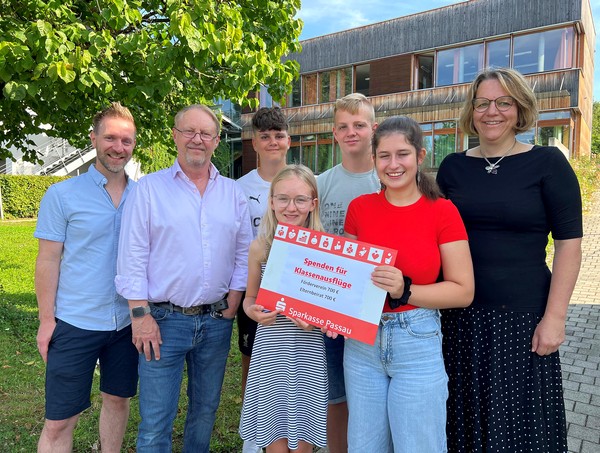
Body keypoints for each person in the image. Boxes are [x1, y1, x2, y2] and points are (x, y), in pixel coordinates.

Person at [436, 67, 583, 452]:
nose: (492, 112)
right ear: (471, 109)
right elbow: (429, 234)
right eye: (482, 103)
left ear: (519, 109)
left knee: (521, 427)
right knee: (465, 420)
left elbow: (570, 244)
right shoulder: (453, 167)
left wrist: (555, 318)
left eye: (504, 102)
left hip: (524, 318)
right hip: (461, 317)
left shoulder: (548, 163)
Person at [115, 104, 252, 452]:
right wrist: (140, 316)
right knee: (156, 420)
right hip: (162, 322)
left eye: (206, 133)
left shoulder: (233, 193)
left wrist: (234, 301)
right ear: (175, 136)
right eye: (189, 131)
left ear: (217, 140)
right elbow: (132, 255)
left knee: (205, 411)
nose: (197, 139)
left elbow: (242, 253)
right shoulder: (148, 190)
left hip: (216, 320)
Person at [341, 116, 474, 452]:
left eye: (402, 154)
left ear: (420, 156)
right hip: (362, 345)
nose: (393, 164)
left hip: (416, 340)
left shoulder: (442, 212)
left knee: (418, 445)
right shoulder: (359, 209)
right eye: (384, 156)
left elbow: (463, 291)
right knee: (364, 446)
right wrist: (332, 311)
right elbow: (346, 282)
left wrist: (406, 290)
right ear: (373, 160)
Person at [34, 102, 138, 453]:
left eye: (126, 140)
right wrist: (46, 320)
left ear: (133, 145)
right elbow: (48, 260)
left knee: (118, 401)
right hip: (75, 321)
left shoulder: (145, 196)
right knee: (60, 420)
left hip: (127, 322)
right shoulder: (62, 194)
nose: (117, 147)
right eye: (110, 137)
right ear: (93, 138)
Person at [239, 164, 328, 453]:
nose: (291, 207)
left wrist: (313, 319)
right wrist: (252, 311)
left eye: (300, 199)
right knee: (273, 440)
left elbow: (333, 314)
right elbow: (249, 299)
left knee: (303, 441)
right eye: (283, 199)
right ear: (271, 202)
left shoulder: (326, 250)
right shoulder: (260, 247)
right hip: (270, 352)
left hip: (308, 352)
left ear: (313, 204)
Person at [316, 92, 380, 453]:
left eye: (359, 125)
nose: (351, 132)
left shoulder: (388, 179)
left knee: (371, 399)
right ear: (335, 134)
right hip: (333, 313)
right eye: (343, 126)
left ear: (373, 128)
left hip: (382, 310)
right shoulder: (321, 184)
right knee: (336, 398)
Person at [236, 107, 291, 453]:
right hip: (254, 288)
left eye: (279, 135)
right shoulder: (239, 188)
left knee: (295, 364)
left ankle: (291, 428)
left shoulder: (304, 179)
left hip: (299, 287)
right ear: (255, 142)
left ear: (289, 140)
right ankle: (254, 437)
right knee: (251, 360)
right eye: (265, 136)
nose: (273, 141)